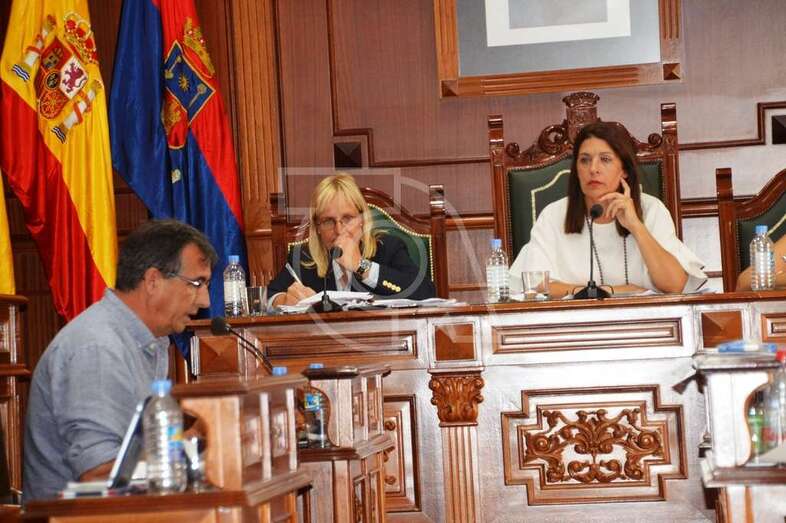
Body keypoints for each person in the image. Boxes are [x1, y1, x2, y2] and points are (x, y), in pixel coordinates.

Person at [23, 219, 217, 502]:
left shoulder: (147, 341)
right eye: (197, 283)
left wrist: (199, 439)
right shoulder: (99, 348)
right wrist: (196, 443)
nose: (205, 301)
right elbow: (102, 476)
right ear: (153, 281)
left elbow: (138, 458)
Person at [510, 122, 706, 298]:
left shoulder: (651, 210)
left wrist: (636, 226)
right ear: (576, 169)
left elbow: (675, 285)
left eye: (605, 159)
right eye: (584, 160)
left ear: (625, 170)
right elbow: (534, 287)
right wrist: (611, 291)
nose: (593, 169)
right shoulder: (554, 215)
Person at [268, 174, 435, 306]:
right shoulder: (304, 257)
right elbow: (271, 295)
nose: (339, 230)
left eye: (347, 218)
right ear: (317, 227)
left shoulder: (387, 248)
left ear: (362, 220)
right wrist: (282, 300)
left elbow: (425, 292)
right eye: (328, 221)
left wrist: (361, 266)